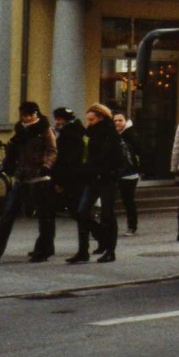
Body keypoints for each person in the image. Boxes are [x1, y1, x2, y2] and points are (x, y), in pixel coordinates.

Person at [0, 102, 57, 262]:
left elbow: (52, 151)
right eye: (24, 115)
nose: (27, 118)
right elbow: (14, 151)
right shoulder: (20, 130)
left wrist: (46, 166)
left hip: (39, 177)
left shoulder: (45, 130)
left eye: (30, 115)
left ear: (36, 114)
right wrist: (9, 164)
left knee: (44, 216)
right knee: (8, 214)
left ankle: (44, 250)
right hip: (21, 176)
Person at [68, 103, 123, 264]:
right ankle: (84, 250)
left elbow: (112, 157)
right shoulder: (90, 133)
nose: (89, 122)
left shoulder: (110, 133)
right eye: (88, 120)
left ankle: (110, 251)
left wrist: (104, 171)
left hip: (107, 179)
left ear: (101, 118)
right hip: (92, 178)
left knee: (107, 214)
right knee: (82, 212)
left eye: (91, 120)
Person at [51, 107, 86, 221]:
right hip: (76, 172)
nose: (56, 122)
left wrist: (60, 180)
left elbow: (64, 157)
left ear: (65, 120)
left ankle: (93, 227)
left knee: (75, 208)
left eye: (59, 119)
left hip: (69, 173)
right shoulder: (77, 130)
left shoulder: (68, 134)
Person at [113, 111, 142, 236]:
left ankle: (132, 226)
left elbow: (140, 152)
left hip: (130, 173)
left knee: (128, 200)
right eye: (115, 120)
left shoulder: (131, 135)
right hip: (116, 173)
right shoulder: (114, 135)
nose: (117, 123)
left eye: (120, 120)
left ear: (126, 121)